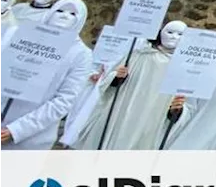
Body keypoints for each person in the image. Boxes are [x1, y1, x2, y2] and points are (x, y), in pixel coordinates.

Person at [69, 20, 187, 150]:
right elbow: (109, 82)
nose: (173, 37)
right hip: (122, 112)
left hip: (152, 118)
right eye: (169, 32)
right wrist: (117, 77)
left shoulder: (183, 68)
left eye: (179, 34)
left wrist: (177, 109)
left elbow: (185, 103)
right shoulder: (139, 54)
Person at [0, 0, 93, 150]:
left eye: (72, 14)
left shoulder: (80, 54)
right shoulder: (17, 33)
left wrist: (17, 130)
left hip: (28, 140)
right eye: (60, 10)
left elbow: (64, 99)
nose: (64, 16)